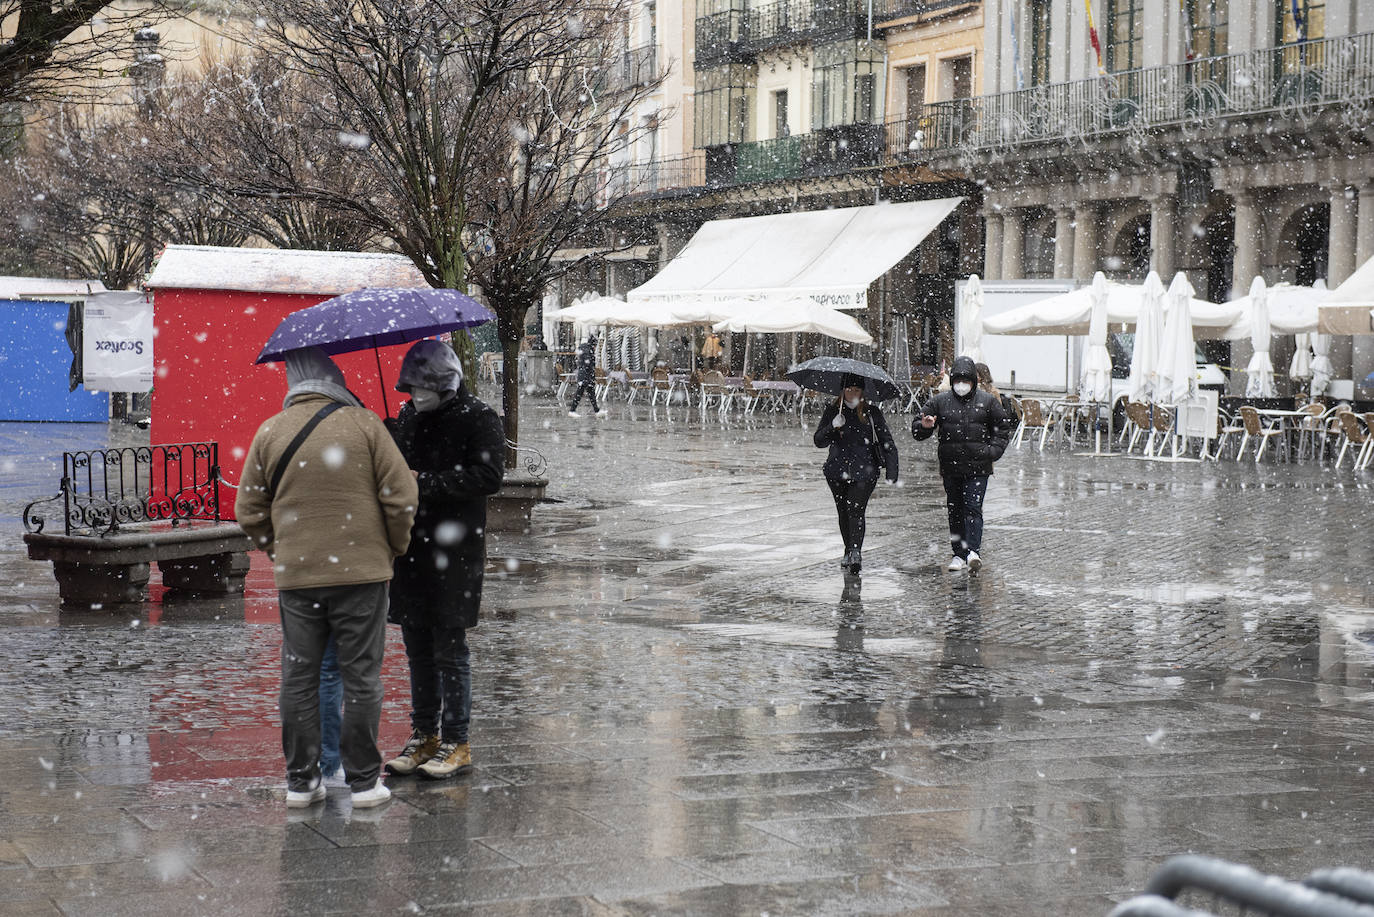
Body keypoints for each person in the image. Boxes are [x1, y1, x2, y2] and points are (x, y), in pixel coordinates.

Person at [236, 346, 418, 810]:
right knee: (361, 678)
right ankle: (362, 784)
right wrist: (392, 546)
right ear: (336, 380)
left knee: (299, 677)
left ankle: (301, 782)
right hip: (363, 574)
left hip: (298, 577)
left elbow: (248, 511)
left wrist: (282, 549)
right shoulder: (366, 425)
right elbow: (401, 498)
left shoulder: (270, 431)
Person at [385, 340, 505, 780]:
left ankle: (457, 740)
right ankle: (424, 735)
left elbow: (489, 476)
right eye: (410, 389)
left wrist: (428, 481)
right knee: (416, 647)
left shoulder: (478, 417)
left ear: (445, 384)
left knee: (449, 649)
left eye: (423, 389)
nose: (415, 397)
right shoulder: (408, 416)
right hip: (411, 548)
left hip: (455, 552)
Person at [913, 355, 1012, 574]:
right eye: (958, 380)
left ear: (973, 382)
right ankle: (958, 553)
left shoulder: (987, 401)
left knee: (973, 508)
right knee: (955, 511)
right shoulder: (940, 401)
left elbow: (1003, 428)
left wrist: (992, 452)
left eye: (966, 381)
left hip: (978, 467)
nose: (961, 385)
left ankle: (973, 551)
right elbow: (918, 428)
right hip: (951, 467)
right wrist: (926, 425)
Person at [813, 373, 898, 576]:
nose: (852, 393)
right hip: (836, 470)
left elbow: (887, 441)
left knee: (856, 510)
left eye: (856, 390)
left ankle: (855, 552)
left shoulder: (871, 413)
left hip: (864, 471)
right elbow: (818, 441)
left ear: (862, 392)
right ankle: (848, 549)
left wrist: (892, 472)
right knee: (843, 511)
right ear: (842, 390)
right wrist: (832, 427)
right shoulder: (833, 411)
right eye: (849, 389)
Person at [567, 334, 605, 417]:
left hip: (585, 376)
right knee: (580, 393)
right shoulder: (588, 350)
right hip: (585, 376)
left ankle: (596, 410)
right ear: (593, 344)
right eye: (595, 345)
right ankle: (572, 411)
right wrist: (590, 374)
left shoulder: (585, 349)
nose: (596, 348)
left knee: (590, 394)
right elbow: (588, 364)